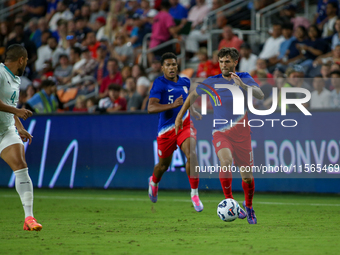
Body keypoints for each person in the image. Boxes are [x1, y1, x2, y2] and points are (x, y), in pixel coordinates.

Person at [175, 48, 265, 224]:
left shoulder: (244, 77)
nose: (224, 65)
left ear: (235, 62)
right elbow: (192, 95)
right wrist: (180, 116)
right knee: (226, 161)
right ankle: (231, 202)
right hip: (220, 133)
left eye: (227, 61)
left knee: (247, 177)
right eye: (221, 61)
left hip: (242, 134)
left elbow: (260, 95)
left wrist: (244, 86)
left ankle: (249, 206)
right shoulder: (212, 82)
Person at [147, 52, 204, 212]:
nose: (171, 67)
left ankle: (194, 194)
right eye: (168, 65)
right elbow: (151, 108)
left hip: (185, 124)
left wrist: (193, 110)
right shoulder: (159, 83)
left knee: (192, 154)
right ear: (162, 67)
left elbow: (187, 99)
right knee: (163, 166)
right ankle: (154, 181)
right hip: (166, 130)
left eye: (174, 64)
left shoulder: (185, 81)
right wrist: (172, 106)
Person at [0, 44, 42, 231]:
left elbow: (7, 105)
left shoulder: (14, 79)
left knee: (21, 166)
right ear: (21, 60)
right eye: (26, 60)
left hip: (6, 130)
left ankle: (29, 218)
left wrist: (19, 127)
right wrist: (16, 110)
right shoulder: (0, 73)